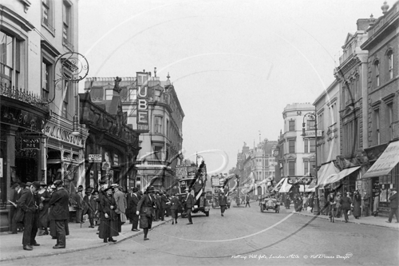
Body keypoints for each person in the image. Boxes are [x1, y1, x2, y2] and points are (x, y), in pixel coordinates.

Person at [17, 181, 40, 251]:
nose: (35, 191)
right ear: (32, 187)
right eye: (35, 189)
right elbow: (20, 202)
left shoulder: (31, 193)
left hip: (31, 213)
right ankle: (26, 244)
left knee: (31, 228)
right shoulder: (27, 192)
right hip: (28, 214)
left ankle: (29, 242)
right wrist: (28, 209)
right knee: (28, 228)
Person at [48, 180, 69, 249]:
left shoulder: (57, 193)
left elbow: (51, 201)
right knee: (61, 228)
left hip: (57, 212)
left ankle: (61, 243)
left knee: (59, 229)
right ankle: (59, 242)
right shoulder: (65, 192)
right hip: (64, 212)